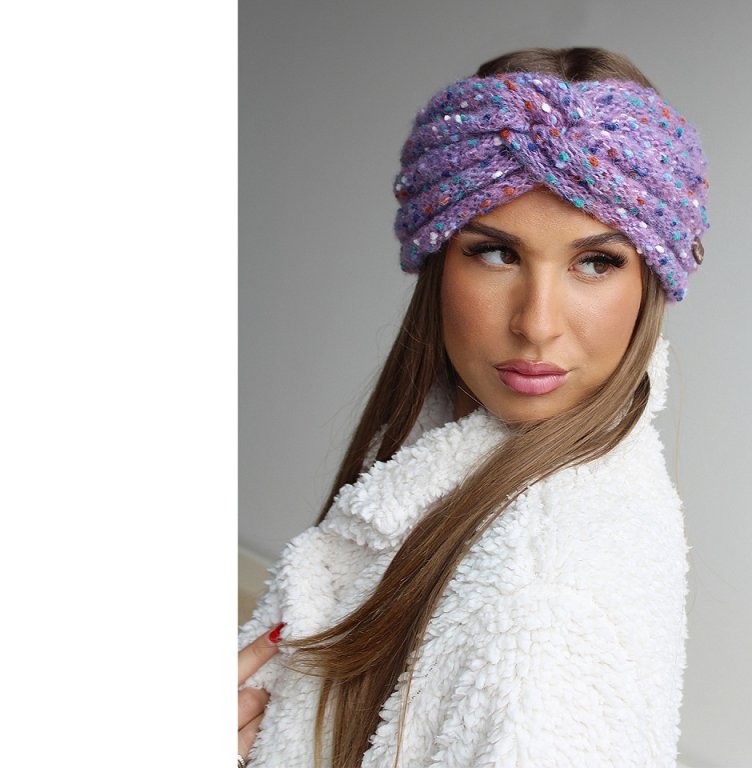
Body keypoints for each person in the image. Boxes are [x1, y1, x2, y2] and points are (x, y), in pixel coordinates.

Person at [237, 46, 710, 768]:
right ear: (437, 261)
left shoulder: (544, 597)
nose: (537, 324)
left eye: (596, 261)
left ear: (650, 281)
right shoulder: (431, 475)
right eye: (496, 253)